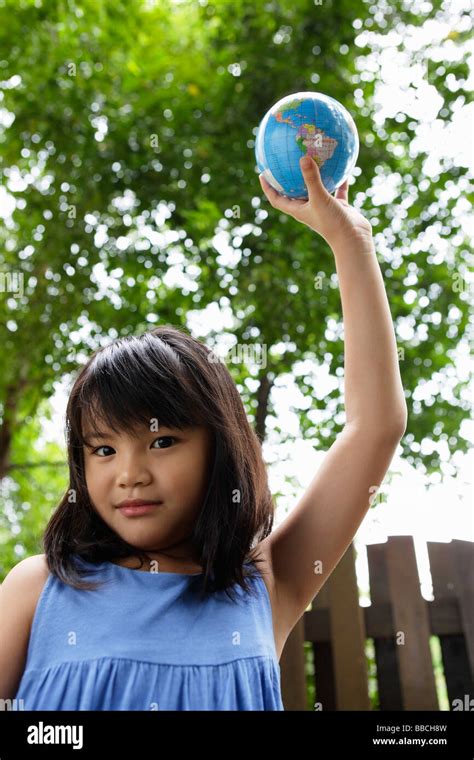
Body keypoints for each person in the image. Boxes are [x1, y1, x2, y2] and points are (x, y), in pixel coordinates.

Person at [0, 156, 407, 710]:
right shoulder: (37, 589)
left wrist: (351, 241)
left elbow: (375, 427)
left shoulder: (266, 585)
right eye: (102, 449)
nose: (129, 474)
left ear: (220, 449)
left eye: (162, 441)